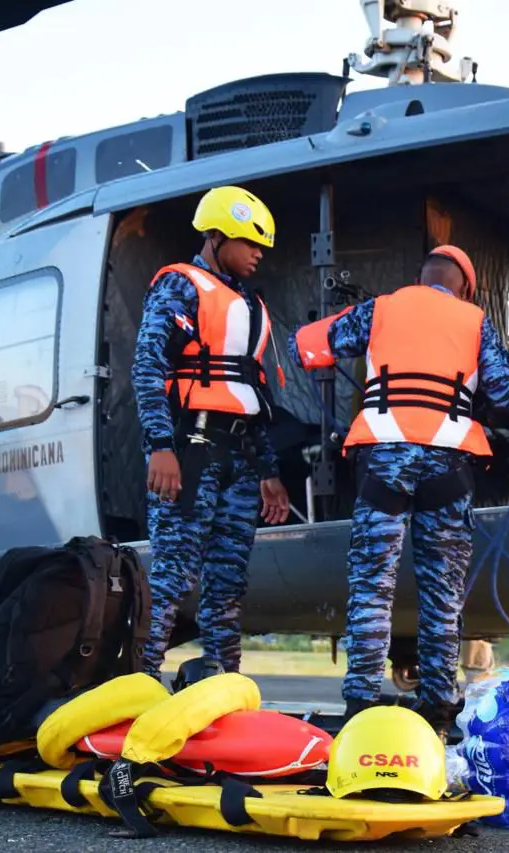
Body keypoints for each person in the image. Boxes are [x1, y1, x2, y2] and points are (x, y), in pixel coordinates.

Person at [290, 245, 509, 730]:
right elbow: (505, 392)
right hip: (447, 464)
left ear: (420, 277)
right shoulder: (473, 320)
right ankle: (438, 706)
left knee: (372, 586)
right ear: (466, 288)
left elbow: (307, 347)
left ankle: (361, 706)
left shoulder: (382, 308)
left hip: (382, 459)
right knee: (442, 592)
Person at [131, 184, 291, 686]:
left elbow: (252, 390)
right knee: (172, 576)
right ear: (217, 237)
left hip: (241, 459)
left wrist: (269, 471)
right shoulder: (180, 287)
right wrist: (161, 447)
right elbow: (146, 367)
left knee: (227, 585)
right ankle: (137, 684)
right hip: (189, 452)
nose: (258, 255)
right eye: (249, 243)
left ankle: (226, 686)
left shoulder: (248, 305)